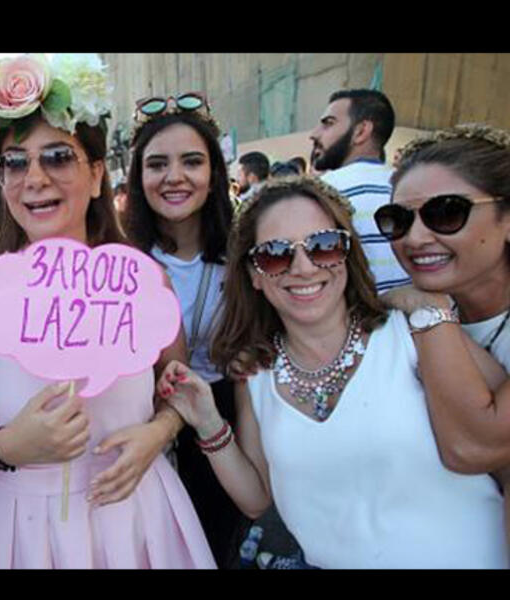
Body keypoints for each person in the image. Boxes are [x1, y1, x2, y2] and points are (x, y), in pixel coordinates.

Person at [0, 53, 215, 569]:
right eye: (15, 163)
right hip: (28, 530)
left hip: (138, 514)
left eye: (58, 157)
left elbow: (177, 390)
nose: (33, 178)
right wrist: (7, 447)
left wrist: (158, 433)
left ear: (96, 174)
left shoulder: (146, 283)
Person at [157, 175, 507, 568]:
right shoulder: (255, 374)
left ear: (346, 253)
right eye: (276, 254)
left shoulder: (416, 332)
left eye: (324, 246)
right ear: (253, 273)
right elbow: (258, 500)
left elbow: (500, 439)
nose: (303, 268)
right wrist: (207, 422)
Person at [373, 123, 510, 548]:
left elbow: (471, 448)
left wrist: (427, 310)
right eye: (397, 220)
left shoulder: (419, 308)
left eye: (447, 212)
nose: (414, 239)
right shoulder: (396, 318)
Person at [122, 92, 239, 567]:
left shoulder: (247, 254)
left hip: (224, 424)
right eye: (157, 165)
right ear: (138, 178)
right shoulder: (118, 259)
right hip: (142, 429)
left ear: (213, 176)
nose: (174, 177)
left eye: (192, 162)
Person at [310, 89, 410, 293]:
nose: (314, 134)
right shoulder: (410, 187)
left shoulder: (320, 193)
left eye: (328, 123)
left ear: (361, 131)